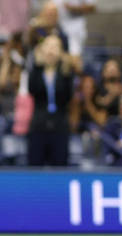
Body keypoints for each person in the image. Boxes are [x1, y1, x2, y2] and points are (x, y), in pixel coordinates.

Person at [26, 35, 75, 167]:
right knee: (35, 165)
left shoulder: (65, 72)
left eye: (55, 47)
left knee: (60, 164)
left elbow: (68, 95)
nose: (51, 50)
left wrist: (66, 69)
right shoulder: (36, 71)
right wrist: (37, 65)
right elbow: (32, 90)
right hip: (39, 124)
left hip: (60, 124)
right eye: (48, 46)